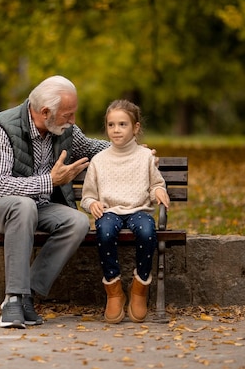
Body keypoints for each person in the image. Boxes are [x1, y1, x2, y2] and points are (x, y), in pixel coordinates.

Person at [0, 75, 111, 328]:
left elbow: (93, 147)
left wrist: (136, 152)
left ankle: (27, 294)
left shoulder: (65, 130)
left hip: (36, 206)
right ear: (45, 111)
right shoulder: (2, 128)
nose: (73, 121)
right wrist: (50, 181)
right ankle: (13, 298)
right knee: (22, 205)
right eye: (68, 115)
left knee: (78, 222)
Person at [80, 99, 170, 324]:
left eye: (122, 124)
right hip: (110, 211)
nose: (116, 130)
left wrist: (159, 191)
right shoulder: (99, 160)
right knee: (105, 231)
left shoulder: (145, 157)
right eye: (111, 125)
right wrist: (92, 204)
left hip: (138, 210)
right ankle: (114, 291)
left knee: (147, 230)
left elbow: (156, 184)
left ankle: (140, 289)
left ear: (135, 128)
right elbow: (88, 195)